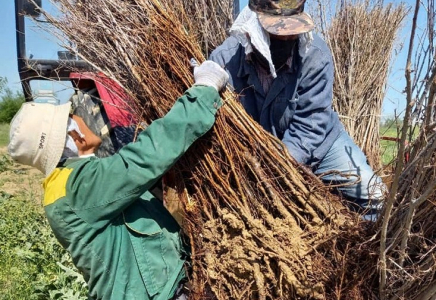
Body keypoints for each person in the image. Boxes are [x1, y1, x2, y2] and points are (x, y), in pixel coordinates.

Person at [7, 60, 229, 300]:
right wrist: (204, 90)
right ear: (73, 134)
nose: (80, 115)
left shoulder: (67, 183)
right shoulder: (80, 186)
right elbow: (145, 158)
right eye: (73, 114)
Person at [209, 0, 385, 220]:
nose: (285, 39)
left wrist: (278, 167)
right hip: (256, 152)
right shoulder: (227, 59)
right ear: (255, 26)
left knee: (375, 198)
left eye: (291, 35)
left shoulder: (315, 55)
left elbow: (310, 124)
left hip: (321, 144)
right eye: (276, 34)